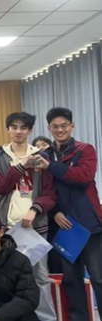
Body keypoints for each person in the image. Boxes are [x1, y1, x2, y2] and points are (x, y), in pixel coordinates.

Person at [35, 107, 102, 321]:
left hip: (89, 224)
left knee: (98, 277)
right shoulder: (44, 155)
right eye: (55, 126)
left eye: (64, 125)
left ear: (72, 126)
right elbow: (46, 189)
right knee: (71, 279)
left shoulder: (85, 150)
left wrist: (51, 166)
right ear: (49, 128)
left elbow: (83, 177)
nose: (60, 130)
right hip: (64, 226)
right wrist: (55, 213)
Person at [0, 112, 56, 321]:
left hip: (35, 227)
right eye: (14, 127)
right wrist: (20, 166)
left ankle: (46, 318)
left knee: (40, 276)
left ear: (30, 130)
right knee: (8, 276)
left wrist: (35, 209)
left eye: (23, 127)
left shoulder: (42, 157)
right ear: (8, 129)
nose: (18, 131)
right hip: (8, 228)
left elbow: (50, 193)